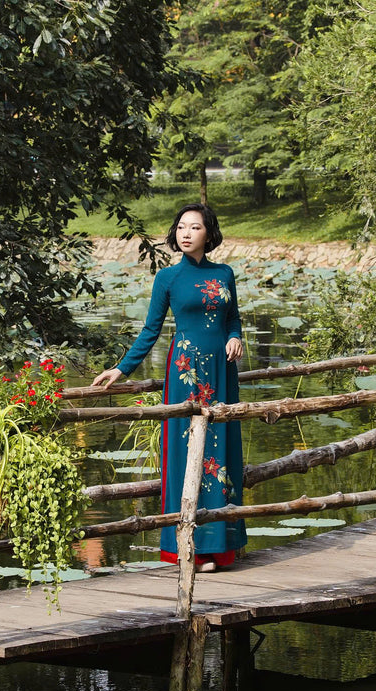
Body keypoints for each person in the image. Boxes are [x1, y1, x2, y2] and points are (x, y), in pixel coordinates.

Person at [91, 203, 247, 572]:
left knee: (222, 451)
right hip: (186, 373)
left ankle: (219, 548)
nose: (186, 233)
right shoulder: (167, 278)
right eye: (181, 227)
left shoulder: (225, 273)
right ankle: (189, 547)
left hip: (222, 372)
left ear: (209, 233)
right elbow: (151, 330)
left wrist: (235, 336)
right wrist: (121, 369)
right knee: (185, 451)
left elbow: (233, 318)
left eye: (195, 227)